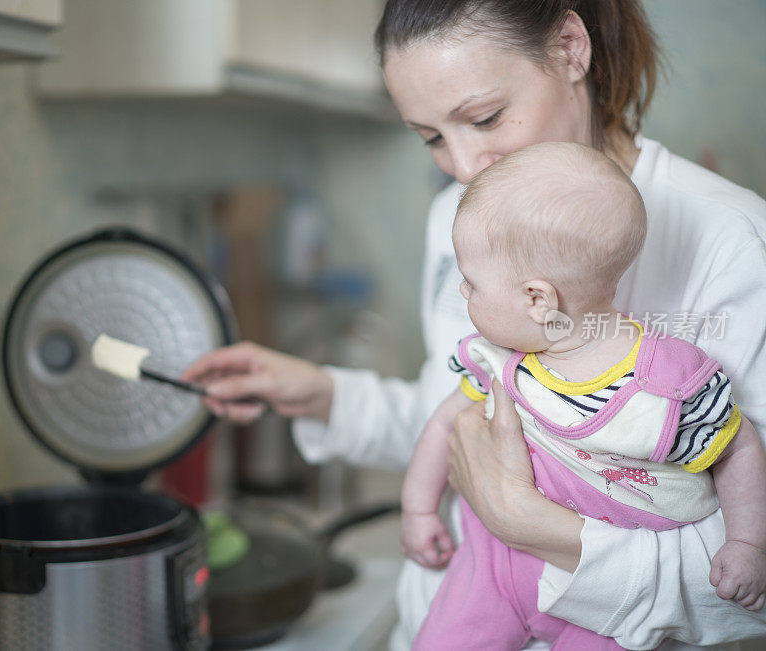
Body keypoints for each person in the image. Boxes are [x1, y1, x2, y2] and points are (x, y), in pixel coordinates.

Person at [182, 1, 766, 648]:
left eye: (485, 117)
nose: (463, 169)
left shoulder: (732, 242)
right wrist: (324, 395)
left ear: (572, 47)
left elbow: (748, 587)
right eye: (431, 137)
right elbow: (471, 414)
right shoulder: (461, 222)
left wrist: (530, 524)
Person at [401, 142, 766, 650]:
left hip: (601, 603)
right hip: (489, 568)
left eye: (472, 283)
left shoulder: (663, 385)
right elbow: (444, 423)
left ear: (537, 298)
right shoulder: (500, 356)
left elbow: (739, 446)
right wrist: (419, 509)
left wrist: (747, 542)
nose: (464, 294)